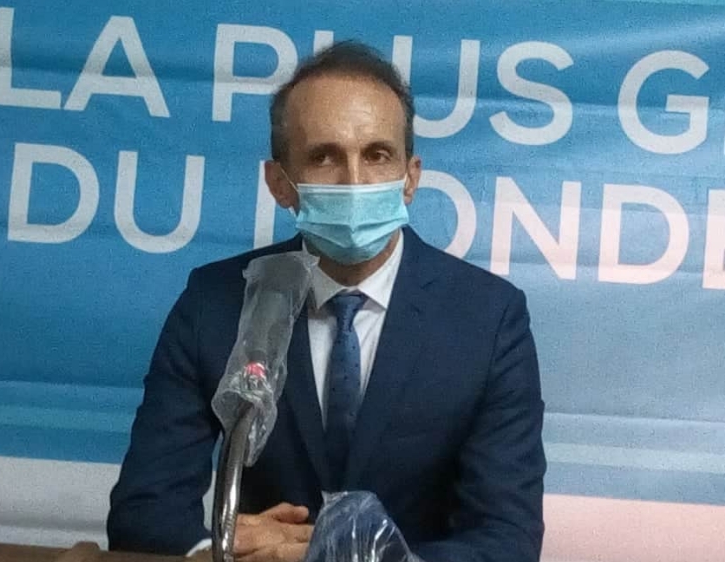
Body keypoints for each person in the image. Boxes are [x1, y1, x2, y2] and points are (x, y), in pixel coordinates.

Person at [107, 41, 546, 562]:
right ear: (280, 183)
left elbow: (506, 540)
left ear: (410, 177)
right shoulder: (217, 303)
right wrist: (217, 553)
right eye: (324, 157)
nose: (354, 181)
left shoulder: (489, 319)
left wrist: (340, 556)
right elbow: (143, 508)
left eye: (377, 155)